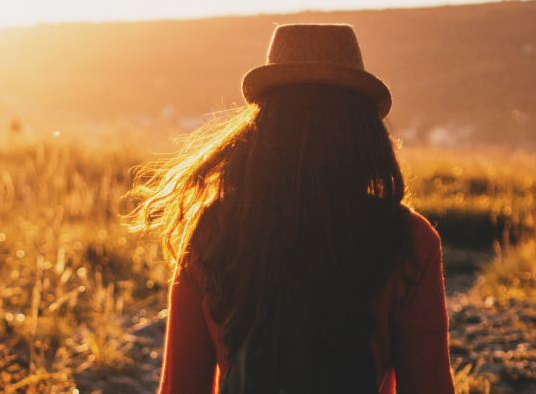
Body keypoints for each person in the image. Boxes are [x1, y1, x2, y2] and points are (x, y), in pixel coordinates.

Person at [130, 23, 453, 393]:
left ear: (263, 127)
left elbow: (181, 388)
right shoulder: (408, 240)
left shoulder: (212, 233)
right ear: (361, 130)